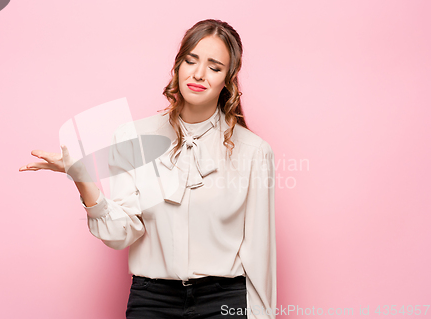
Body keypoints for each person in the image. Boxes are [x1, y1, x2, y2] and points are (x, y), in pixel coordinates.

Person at [20, 19, 277, 319]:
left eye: (214, 67)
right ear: (177, 66)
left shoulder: (255, 152)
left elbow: (260, 254)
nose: (198, 74)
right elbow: (121, 232)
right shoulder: (132, 138)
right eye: (190, 60)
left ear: (228, 80)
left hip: (224, 302)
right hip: (152, 300)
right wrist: (82, 179)